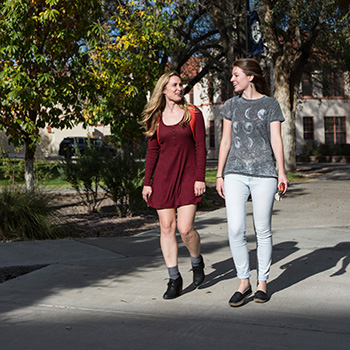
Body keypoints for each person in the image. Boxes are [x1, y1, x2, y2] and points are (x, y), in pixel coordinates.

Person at [216, 58, 289, 307]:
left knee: (262, 229)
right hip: (235, 172)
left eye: (236, 75)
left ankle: (262, 283)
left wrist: (281, 171)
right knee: (236, 229)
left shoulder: (270, 104)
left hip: (265, 173)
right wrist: (219, 174)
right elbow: (225, 141)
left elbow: (276, 140)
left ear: (251, 76)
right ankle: (243, 281)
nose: (232, 79)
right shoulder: (230, 106)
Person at [140, 71, 207, 299]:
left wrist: (200, 178)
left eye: (181, 85)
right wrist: (147, 182)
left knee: (185, 229)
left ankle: (197, 262)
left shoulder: (193, 114)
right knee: (166, 227)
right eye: (175, 85)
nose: (179, 88)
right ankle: (174, 279)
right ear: (164, 90)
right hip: (163, 178)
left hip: (188, 177)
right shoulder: (155, 118)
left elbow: (200, 148)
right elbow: (152, 151)